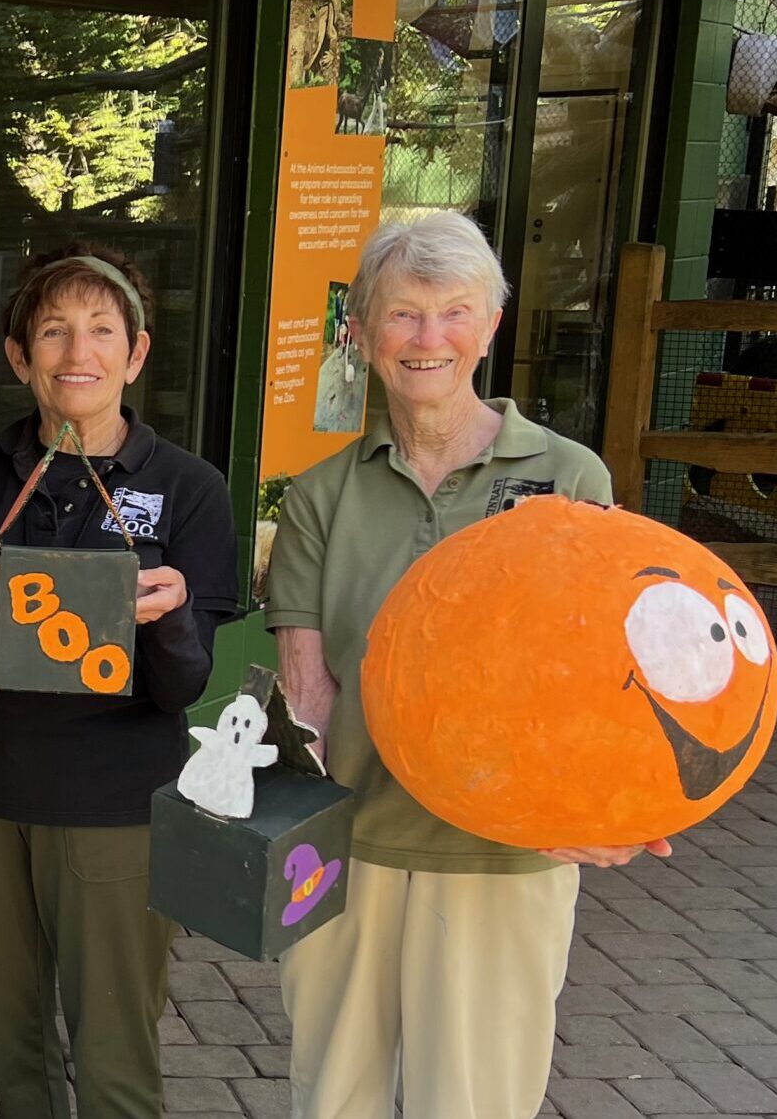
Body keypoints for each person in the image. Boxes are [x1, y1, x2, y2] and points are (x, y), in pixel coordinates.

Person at [266, 210, 668, 1118]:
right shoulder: (322, 495)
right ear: (361, 333)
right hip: (349, 851)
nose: (427, 338)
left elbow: (603, 682)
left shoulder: (571, 479)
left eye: (454, 311)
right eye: (402, 314)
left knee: (474, 1102)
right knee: (333, 1098)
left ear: (490, 327)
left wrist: (603, 806)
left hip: (503, 856)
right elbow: (307, 690)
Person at [0, 243, 238, 1119]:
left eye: (102, 330)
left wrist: (170, 616)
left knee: (113, 1054)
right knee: (10, 1038)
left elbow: (184, 685)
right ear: (20, 357)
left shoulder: (187, 490)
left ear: (135, 355)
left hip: (115, 812)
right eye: (53, 331)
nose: (78, 352)